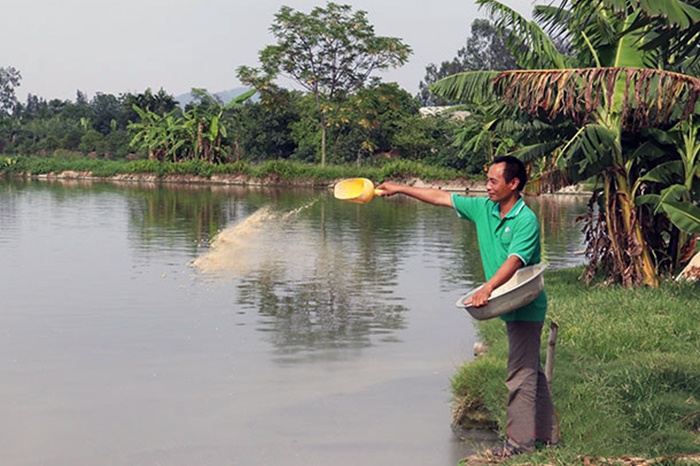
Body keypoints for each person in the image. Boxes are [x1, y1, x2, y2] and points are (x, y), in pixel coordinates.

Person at [376, 156, 556, 458]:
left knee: (520, 375)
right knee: (531, 372)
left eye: (493, 181)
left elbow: (514, 262)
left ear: (513, 184)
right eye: (486, 180)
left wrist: (486, 288)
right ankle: (547, 438)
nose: (487, 187)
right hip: (509, 303)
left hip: (525, 306)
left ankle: (519, 445)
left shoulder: (525, 220)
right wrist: (400, 188)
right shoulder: (485, 208)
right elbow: (440, 197)